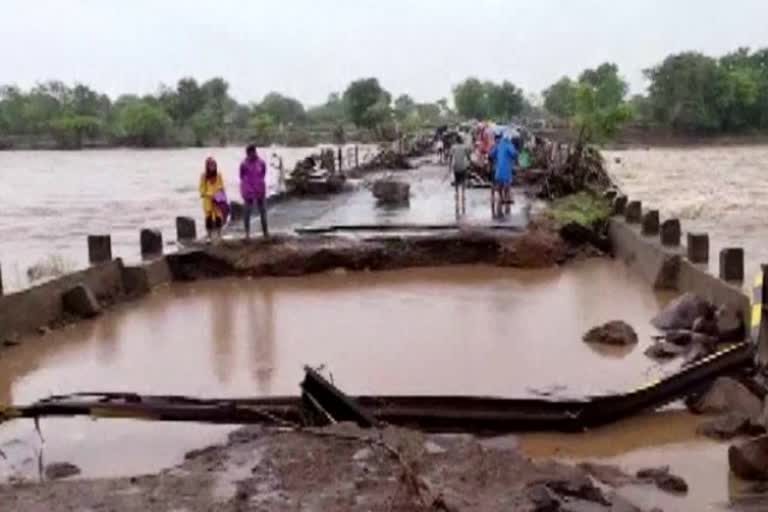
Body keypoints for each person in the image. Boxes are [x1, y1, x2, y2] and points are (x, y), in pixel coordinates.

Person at [240, 144, 269, 239]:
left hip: (260, 190)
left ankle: (265, 233)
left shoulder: (261, 163)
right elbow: (241, 176)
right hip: (248, 191)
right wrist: (246, 189)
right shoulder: (244, 164)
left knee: (263, 212)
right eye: (249, 153)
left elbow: (263, 173)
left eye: (253, 152)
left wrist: (259, 184)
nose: (252, 155)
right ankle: (247, 233)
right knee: (247, 213)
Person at [199, 157, 228, 241]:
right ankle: (209, 236)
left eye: (214, 165)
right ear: (207, 166)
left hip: (217, 199)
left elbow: (222, 186)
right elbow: (201, 188)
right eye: (211, 165)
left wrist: (222, 195)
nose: (212, 167)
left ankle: (219, 234)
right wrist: (206, 194)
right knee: (208, 218)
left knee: (219, 217)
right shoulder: (203, 176)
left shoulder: (218, 175)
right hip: (208, 200)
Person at [489, 133, 518, 216]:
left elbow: (491, 154)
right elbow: (514, 154)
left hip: (498, 170)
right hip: (506, 169)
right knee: (507, 184)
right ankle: (506, 199)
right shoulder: (509, 145)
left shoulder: (498, 145)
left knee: (500, 184)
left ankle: (501, 198)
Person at [448, 136, 472, 214]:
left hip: (456, 167)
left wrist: (449, 167)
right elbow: (468, 156)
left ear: (456, 140)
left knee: (457, 181)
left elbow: (451, 157)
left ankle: (457, 194)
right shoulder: (465, 147)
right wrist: (469, 162)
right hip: (463, 166)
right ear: (461, 140)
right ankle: (463, 195)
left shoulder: (453, 147)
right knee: (463, 181)